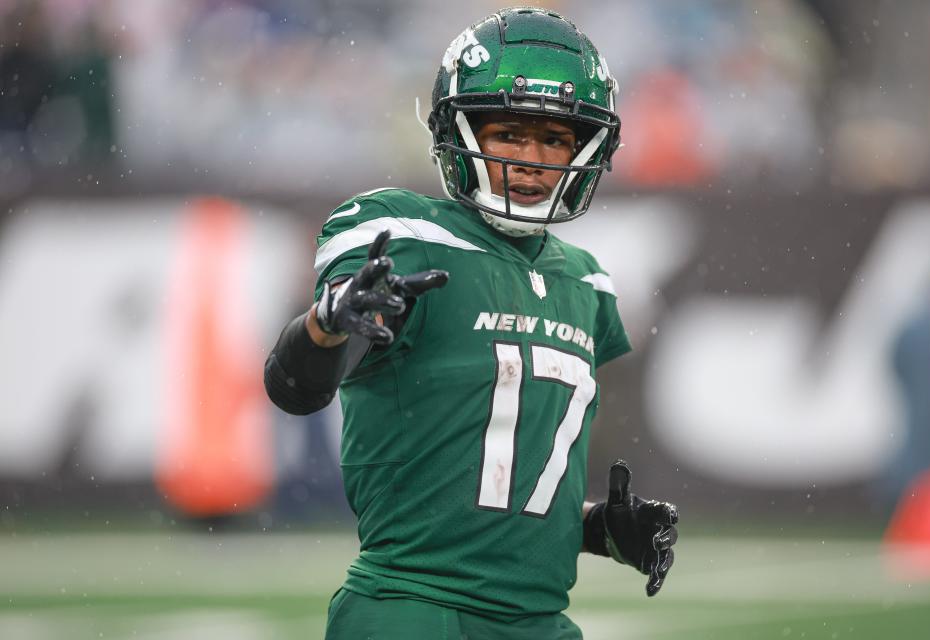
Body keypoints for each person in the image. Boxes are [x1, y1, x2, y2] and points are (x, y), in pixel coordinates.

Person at [264, 7, 679, 639]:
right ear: (460, 133)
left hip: (542, 621)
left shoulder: (586, 281)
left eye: (555, 139)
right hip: (412, 605)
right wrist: (326, 323)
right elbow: (295, 388)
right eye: (509, 134)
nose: (534, 159)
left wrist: (600, 529)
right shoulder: (411, 237)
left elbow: (505, 476)